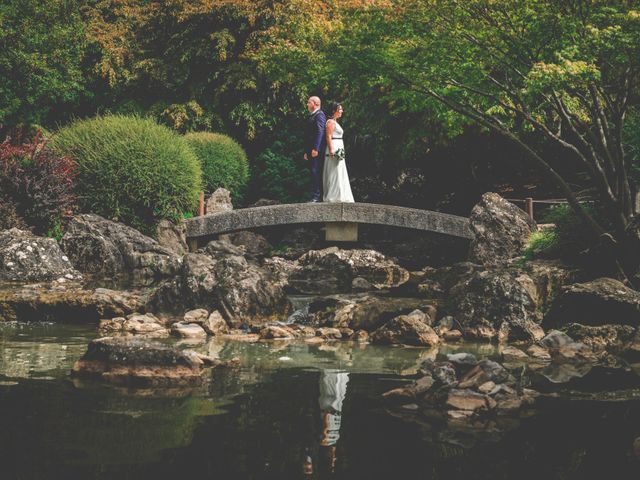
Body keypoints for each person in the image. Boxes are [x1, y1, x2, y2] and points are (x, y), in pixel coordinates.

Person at [323, 103, 354, 203]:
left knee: (339, 171)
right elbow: (328, 136)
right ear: (334, 111)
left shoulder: (335, 122)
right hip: (334, 148)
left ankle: (341, 195)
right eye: (339, 109)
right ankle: (334, 196)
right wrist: (331, 149)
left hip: (339, 147)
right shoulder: (331, 122)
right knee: (334, 171)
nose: (341, 111)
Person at [304, 96, 327, 202]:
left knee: (316, 171)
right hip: (310, 150)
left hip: (316, 150)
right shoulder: (311, 116)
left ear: (315, 103)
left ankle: (317, 196)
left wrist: (316, 149)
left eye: (309, 102)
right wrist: (306, 151)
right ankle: (314, 195)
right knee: (312, 172)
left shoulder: (320, 115)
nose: (307, 104)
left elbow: (320, 132)